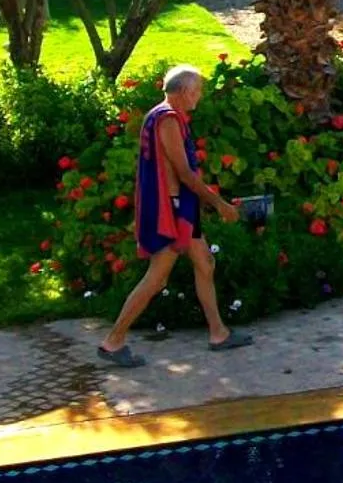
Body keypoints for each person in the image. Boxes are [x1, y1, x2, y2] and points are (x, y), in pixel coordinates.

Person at [97, 66, 249, 366]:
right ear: (183, 92)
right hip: (172, 209)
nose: (199, 96)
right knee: (157, 277)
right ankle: (113, 342)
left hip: (180, 205)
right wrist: (219, 204)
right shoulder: (167, 120)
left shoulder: (165, 116)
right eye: (197, 91)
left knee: (204, 262)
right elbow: (184, 173)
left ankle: (218, 333)